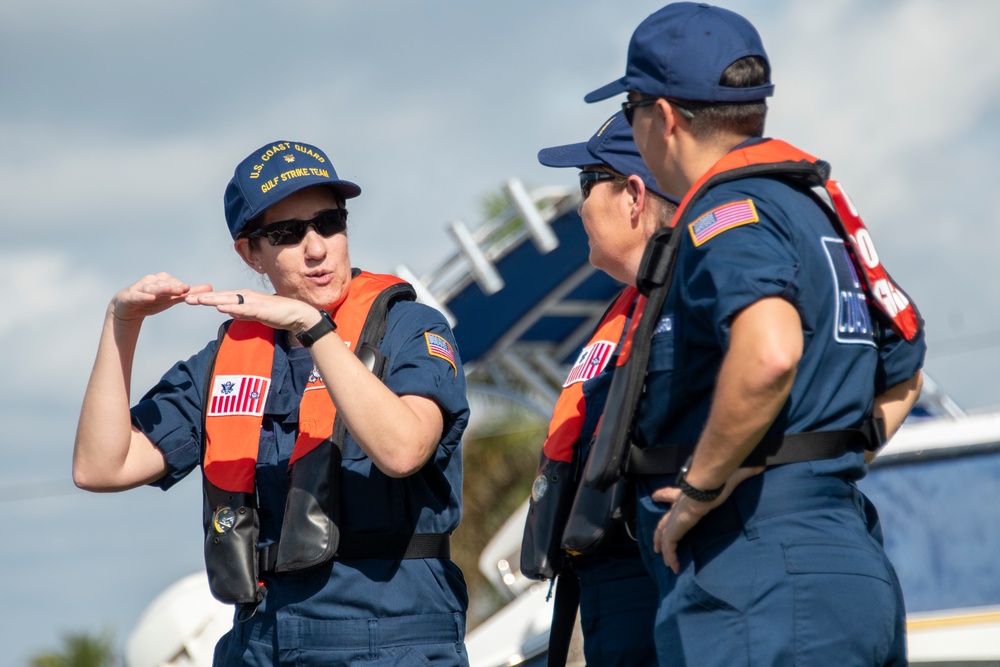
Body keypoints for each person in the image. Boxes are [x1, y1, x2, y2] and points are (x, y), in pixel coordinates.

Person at [582, 3, 927, 665]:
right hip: (846, 558)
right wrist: (812, 461)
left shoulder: (725, 211)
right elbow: (904, 370)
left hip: (759, 570)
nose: (632, 127)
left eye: (630, 110)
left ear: (667, 117)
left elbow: (769, 352)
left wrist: (705, 487)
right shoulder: (812, 208)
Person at [73, 140, 470, 666]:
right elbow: (101, 466)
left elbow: (403, 449)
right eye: (287, 233)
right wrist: (121, 325)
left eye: (328, 222)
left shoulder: (407, 328)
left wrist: (313, 327)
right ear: (249, 254)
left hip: (391, 635)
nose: (316, 248)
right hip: (262, 639)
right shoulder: (226, 361)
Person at [527, 112, 678, 667]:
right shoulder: (626, 311)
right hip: (605, 594)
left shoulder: (697, 297)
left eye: (587, 183)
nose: (580, 205)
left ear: (634, 197)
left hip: (657, 588)